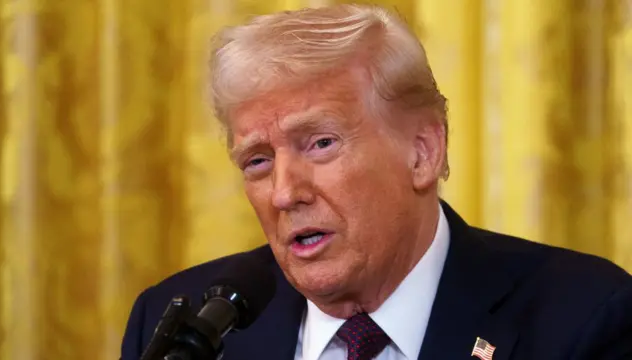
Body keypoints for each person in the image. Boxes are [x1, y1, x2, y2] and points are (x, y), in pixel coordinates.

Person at [120, 4, 632, 360]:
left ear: (423, 152)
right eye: (256, 161)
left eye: (320, 144)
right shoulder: (187, 328)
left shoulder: (582, 317)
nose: (283, 192)